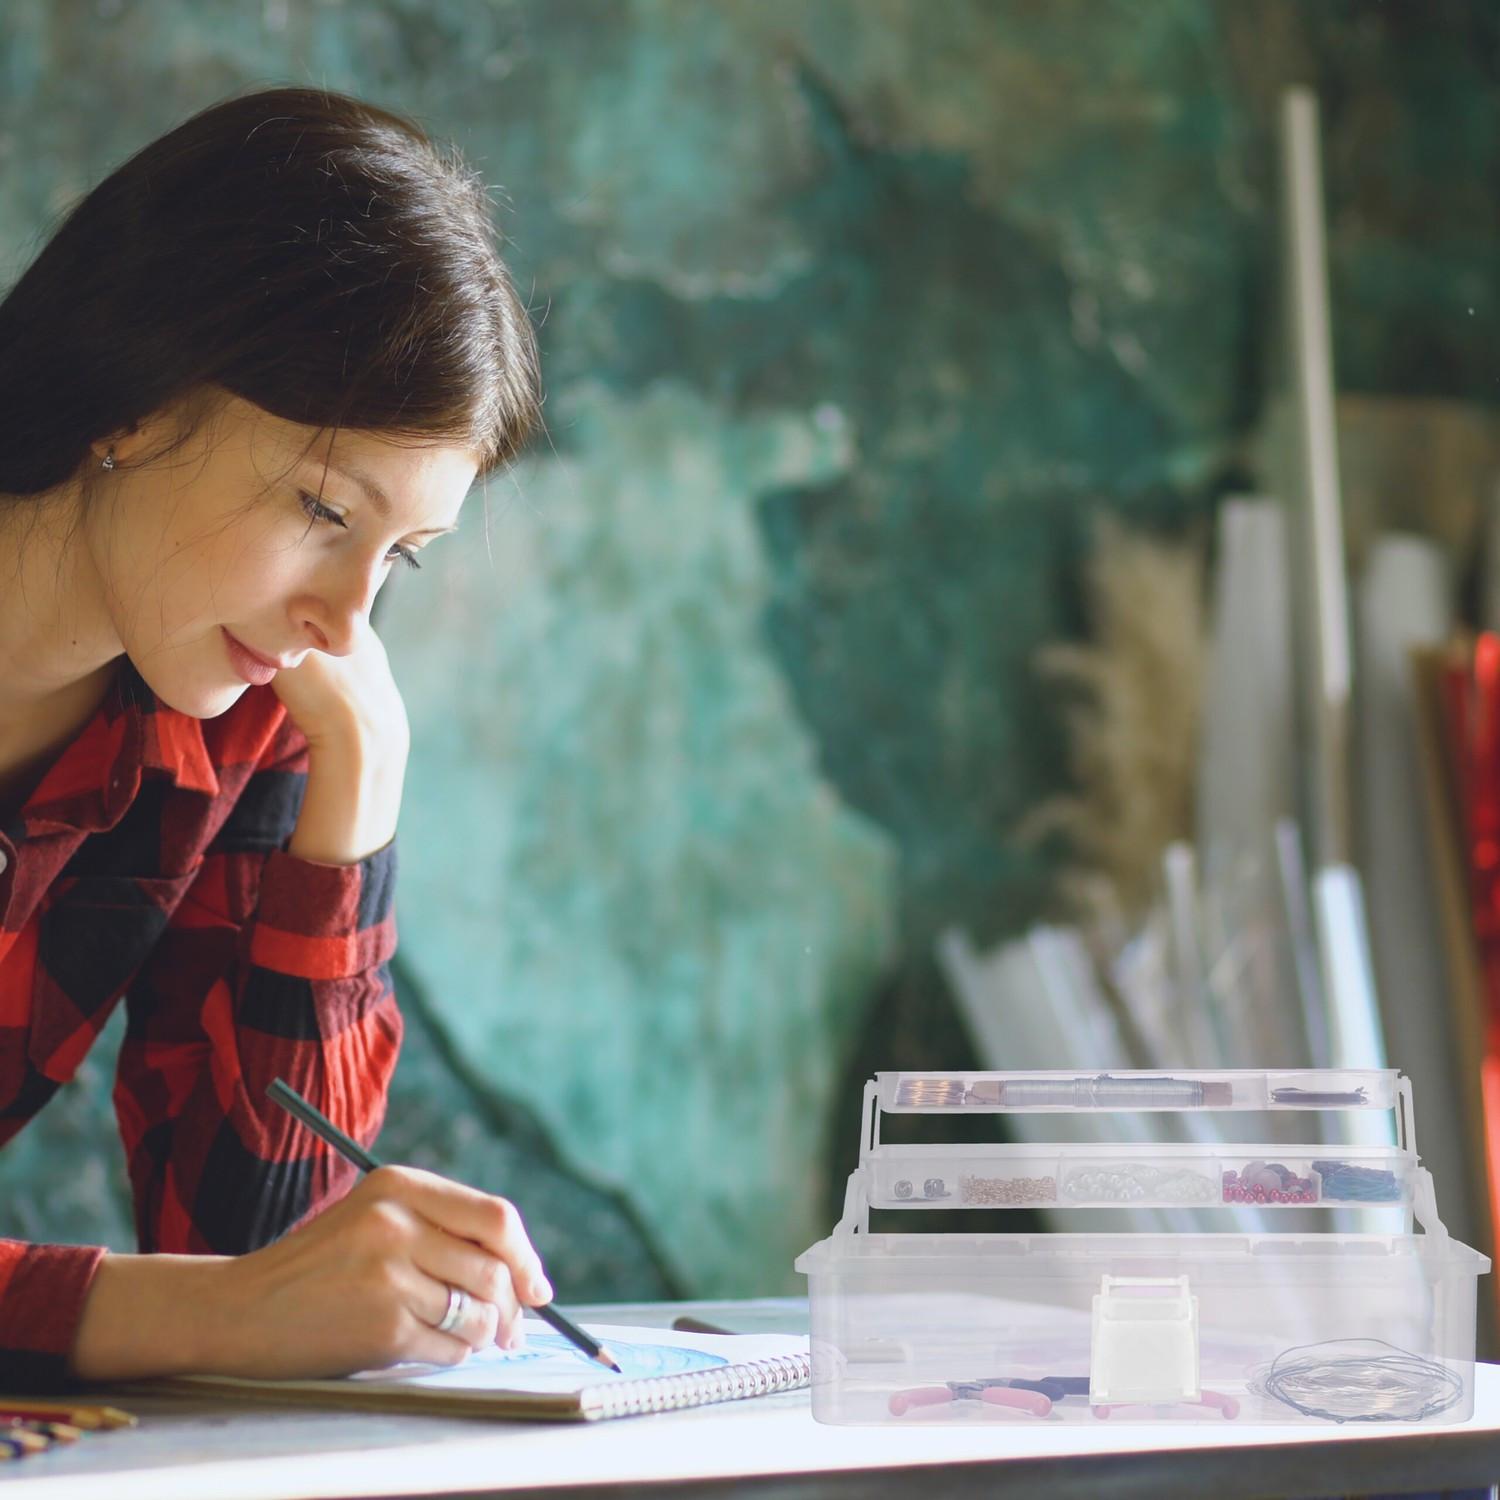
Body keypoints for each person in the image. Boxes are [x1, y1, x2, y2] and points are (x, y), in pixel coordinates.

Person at [0, 86, 551, 1389]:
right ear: (134, 399)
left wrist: (359, 795)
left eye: (402, 559)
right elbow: (237, 1306)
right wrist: (211, 1314)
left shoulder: (246, 729)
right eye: (321, 508)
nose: (346, 618)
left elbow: (255, 1256)